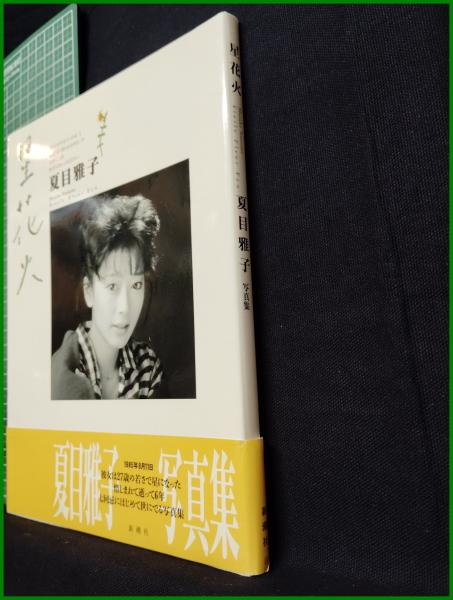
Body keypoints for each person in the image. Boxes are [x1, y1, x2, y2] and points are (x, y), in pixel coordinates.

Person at [51, 194, 163, 399]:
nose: (125, 308)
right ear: (89, 291)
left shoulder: (147, 366)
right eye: (112, 286)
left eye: (136, 285)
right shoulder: (62, 375)